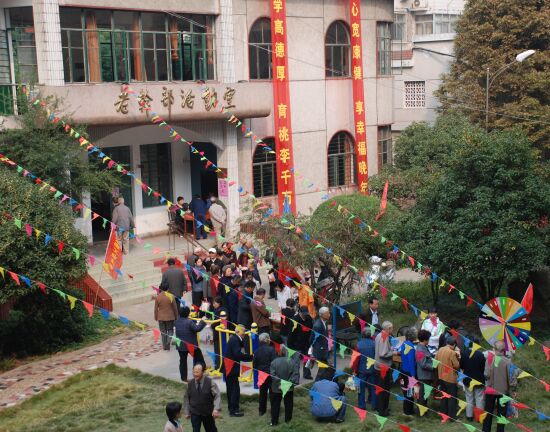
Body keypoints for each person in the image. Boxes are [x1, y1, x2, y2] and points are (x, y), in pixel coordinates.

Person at [482, 340, 517, 432]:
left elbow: (486, 375)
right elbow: (512, 378)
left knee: (488, 412)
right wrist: (513, 389)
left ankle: (486, 430)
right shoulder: (508, 362)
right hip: (503, 391)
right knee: (502, 414)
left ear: (495, 349)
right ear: (503, 350)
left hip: (490, 390)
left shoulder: (489, 360)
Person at [224, 325, 254, 417]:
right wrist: (251, 357)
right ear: (238, 331)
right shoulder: (235, 340)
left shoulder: (234, 339)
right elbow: (237, 354)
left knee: (231, 389)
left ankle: (231, 408)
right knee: (234, 390)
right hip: (231, 368)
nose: (244, 333)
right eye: (243, 331)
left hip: (229, 368)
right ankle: (234, 410)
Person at [183, 363, 221, 432]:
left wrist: (216, 409)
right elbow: (186, 398)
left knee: (211, 430)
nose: (195, 374)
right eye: (194, 372)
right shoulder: (190, 384)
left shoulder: (210, 382)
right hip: (195, 412)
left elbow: (217, 395)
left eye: (197, 372)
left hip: (207, 412)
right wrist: (186, 411)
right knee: (196, 430)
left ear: (203, 372)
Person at [270, 344, 300, 426]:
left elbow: (273, 375)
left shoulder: (273, 362)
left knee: (275, 405)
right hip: (288, 388)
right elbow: (295, 375)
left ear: (278, 352)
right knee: (289, 404)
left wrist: (280, 384)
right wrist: (287, 384)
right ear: (286, 352)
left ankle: (274, 422)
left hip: (276, 388)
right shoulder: (292, 362)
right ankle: (288, 421)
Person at [175, 306, 207, 381]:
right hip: (191, 345)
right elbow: (197, 328)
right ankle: (200, 372)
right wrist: (203, 321)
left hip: (180, 344)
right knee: (199, 359)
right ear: (188, 313)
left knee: (182, 361)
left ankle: (184, 378)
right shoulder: (189, 322)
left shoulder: (176, 321)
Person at [435, 336, 461, 420]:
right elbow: (456, 366)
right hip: (450, 378)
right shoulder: (452, 353)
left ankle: (443, 413)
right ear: (454, 345)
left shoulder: (440, 349)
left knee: (444, 396)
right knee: (452, 398)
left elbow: (435, 361)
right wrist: (458, 357)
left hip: (441, 376)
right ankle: (452, 417)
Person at [461, 334, 486, 421]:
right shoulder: (481, 355)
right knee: (480, 399)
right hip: (479, 380)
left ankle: (469, 416)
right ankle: (479, 417)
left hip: (467, 380)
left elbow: (461, 366)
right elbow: (483, 368)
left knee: (469, 398)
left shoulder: (464, 354)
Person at [253, 333, 277, 416]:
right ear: (267, 340)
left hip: (262, 375)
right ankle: (273, 410)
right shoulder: (272, 350)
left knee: (262, 393)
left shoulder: (257, 351)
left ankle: (261, 411)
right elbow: (274, 363)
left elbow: (254, 365)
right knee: (273, 393)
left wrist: (261, 369)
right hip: (271, 374)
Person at [375, 321, 395, 417]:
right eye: (392, 328)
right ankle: (383, 411)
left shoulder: (379, 335)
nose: (393, 329)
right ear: (388, 329)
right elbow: (382, 353)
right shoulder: (385, 337)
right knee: (384, 390)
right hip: (383, 367)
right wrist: (393, 352)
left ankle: (380, 408)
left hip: (379, 366)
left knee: (380, 389)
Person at [287, 306, 314, 380]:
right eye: (303, 314)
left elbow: (311, 330)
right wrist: (290, 346)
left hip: (306, 343)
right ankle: (295, 379)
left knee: (307, 360)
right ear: (300, 312)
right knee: (296, 363)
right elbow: (290, 334)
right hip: (296, 344)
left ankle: (307, 374)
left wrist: (311, 342)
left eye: (306, 314)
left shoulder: (309, 318)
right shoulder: (294, 320)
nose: (305, 315)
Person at [355, 326, 377, 410]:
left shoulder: (358, 344)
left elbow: (356, 359)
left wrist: (355, 370)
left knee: (361, 388)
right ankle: (374, 405)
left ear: (362, 334)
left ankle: (361, 405)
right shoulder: (374, 343)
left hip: (362, 369)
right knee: (373, 388)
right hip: (372, 369)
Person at [154, 283, 179, 350]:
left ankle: (165, 346)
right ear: (168, 288)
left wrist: (156, 317)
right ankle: (168, 341)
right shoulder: (171, 296)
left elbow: (155, 309)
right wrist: (176, 316)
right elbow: (175, 308)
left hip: (161, 317)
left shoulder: (158, 297)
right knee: (170, 330)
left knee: (163, 332)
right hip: (170, 317)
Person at [416, 329, 435, 407]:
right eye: (428, 339)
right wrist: (434, 366)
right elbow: (423, 364)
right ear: (424, 340)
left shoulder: (423, 347)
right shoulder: (420, 350)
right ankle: (421, 411)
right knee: (422, 396)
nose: (429, 340)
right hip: (424, 376)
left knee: (425, 394)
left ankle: (424, 410)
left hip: (426, 376)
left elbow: (428, 356)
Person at [400, 328, 417, 416]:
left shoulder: (404, 343)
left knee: (406, 391)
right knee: (409, 392)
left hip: (403, 369)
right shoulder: (410, 347)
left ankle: (406, 410)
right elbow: (411, 362)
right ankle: (408, 411)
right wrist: (413, 375)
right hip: (409, 372)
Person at [311, 307, 331, 379]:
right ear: (321, 315)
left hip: (323, 349)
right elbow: (312, 338)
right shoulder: (318, 326)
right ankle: (317, 383)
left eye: (329, 313)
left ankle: (321, 382)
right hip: (320, 351)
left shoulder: (324, 322)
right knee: (322, 370)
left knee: (324, 369)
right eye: (327, 313)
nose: (329, 314)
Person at [211, 297, 226, 370]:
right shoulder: (223, 309)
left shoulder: (219, 311)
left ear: (219, 303)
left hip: (218, 333)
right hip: (222, 333)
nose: (213, 304)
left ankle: (219, 367)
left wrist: (211, 325)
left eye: (215, 303)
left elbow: (215, 322)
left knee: (218, 350)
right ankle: (220, 366)